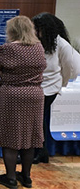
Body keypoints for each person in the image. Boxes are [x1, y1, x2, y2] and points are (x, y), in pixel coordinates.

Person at [0, 16, 46, 189]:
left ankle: (11, 178)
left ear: (12, 30)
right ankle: (27, 177)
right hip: (35, 95)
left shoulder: (7, 49)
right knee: (30, 136)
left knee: (10, 137)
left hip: (12, 95)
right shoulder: (38, 47)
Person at [31, 12, 80, 164]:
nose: (35, 32)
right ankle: (41, 152)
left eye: (38, 29)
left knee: (38, 121)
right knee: (38, 121)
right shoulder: (40, 43)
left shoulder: (62, 44)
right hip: (37, 88)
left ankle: (40, 152)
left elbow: (72, 68)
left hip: (49, 89)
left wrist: (62, 82)